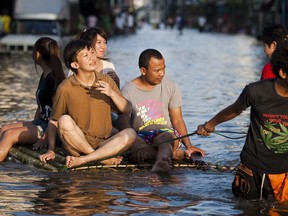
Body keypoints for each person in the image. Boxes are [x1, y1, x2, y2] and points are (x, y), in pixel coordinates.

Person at [196, 40, 288, 202]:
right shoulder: (256, 91)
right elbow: (233, 110)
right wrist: (209, 125)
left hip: (283, 174)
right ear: (283, 73)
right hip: (252, 171)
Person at [39, 39, 136, 168]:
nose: (92, 57)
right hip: (76, 146)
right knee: (64, 120)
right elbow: (54, 121)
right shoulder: (65, 88)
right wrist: (51, 149)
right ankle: (99, 157)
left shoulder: (105, 80)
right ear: (75, 65)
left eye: (91, 52)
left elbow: (127, 109)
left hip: (104, 143)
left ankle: (86, 159)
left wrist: (111, 93)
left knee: (130, 134)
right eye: (86, 55)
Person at [118, 49, 205, 172]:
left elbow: (177, 119)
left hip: (165, 134)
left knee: (165, 138)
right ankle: (174, 155)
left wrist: (189, 146)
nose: (162, 73)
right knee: (138, 151)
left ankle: (162, 160)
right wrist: (132, 139)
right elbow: (122, 119)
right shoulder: (128, 91)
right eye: (157, 70)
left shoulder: (171, 86)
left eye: (164, 68)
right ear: (143, 71)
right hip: (141, 136)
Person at [0, 37, 66, 161]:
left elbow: (58, 113)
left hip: (51, 130)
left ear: (38, 53)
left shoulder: (54, 80)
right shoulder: (44, 75)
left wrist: (45, 137)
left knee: (9, 135)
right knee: (3, 129)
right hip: (41, 123)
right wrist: (30, 127)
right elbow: (40, 106)